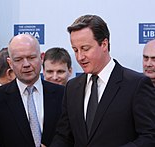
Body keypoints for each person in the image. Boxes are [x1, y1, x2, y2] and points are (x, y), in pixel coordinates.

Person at [50, 14, 155, 147]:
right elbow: (64, 136)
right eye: (75, 50)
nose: (80, 57)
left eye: (85, 49)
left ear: (104, 44)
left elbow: (149, 137)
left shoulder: (136, 84)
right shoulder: (72, 87)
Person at [0, 34, 64, 147]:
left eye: (31, 58)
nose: (26, 64)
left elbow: (70, 136)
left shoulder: (63, 94)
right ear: (10, 63)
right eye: (18, 59)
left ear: (41, 58)